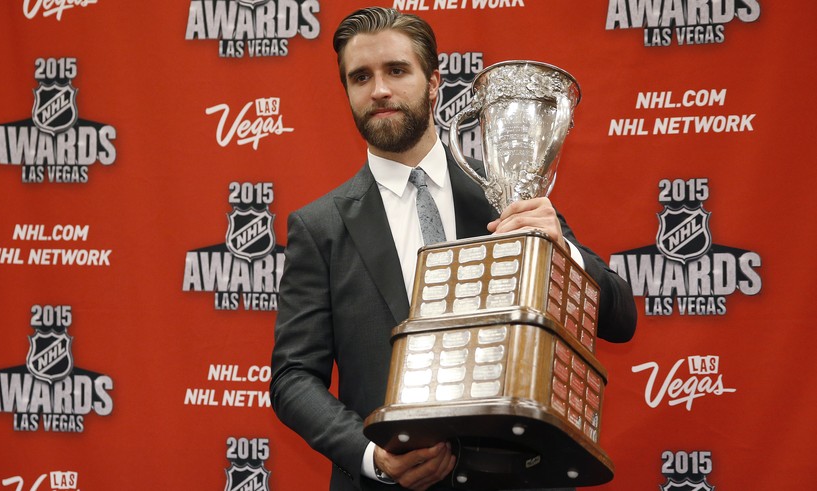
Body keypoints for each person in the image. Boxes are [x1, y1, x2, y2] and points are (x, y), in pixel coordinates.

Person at [270, 7, 637, 491]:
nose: (379, 89)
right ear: (348, 93)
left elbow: (620, 319)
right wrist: (372, 456)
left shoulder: (506, 192)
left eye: (397, 70)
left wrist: (561, 248)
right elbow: (293, 378)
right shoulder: (320, 227)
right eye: (361, 77)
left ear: (435, 81)